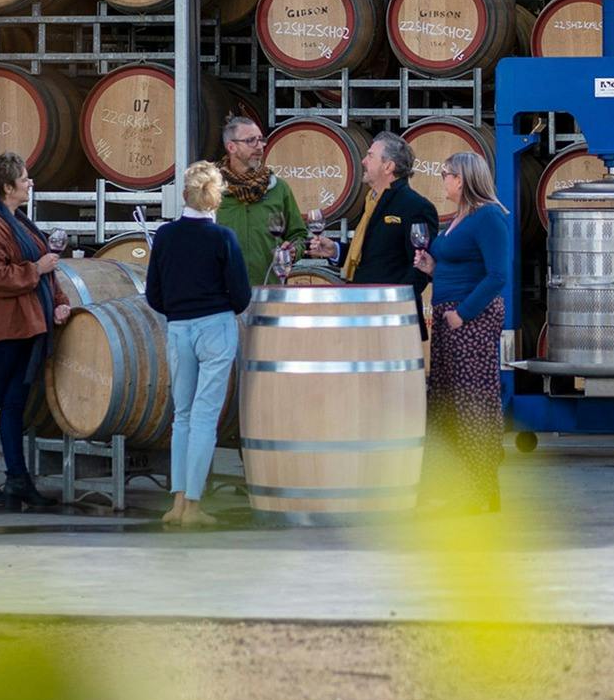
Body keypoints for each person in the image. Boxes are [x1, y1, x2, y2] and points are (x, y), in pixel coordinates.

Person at [146, 161, 251, 529]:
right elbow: (241, 295)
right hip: (215, 327)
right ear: (215, 196)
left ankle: (176, 502)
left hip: (179, 328)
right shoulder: (223, 238)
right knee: (205, 416)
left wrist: (179, 310)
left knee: (183, 417)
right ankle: (193, 505)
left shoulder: (165, 236)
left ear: (185, 195)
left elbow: (154, 294)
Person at [0, 151, 71, 512]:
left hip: (27, 323)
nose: (30, 183)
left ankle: (17, 479)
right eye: (25, 179)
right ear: (8, 186)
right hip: (3, 326)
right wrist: (36, 270)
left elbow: (48, 267)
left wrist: (58, 299)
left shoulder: (19, 220)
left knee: (14, 405)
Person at [413, 150, 510, 514]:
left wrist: (463, 314)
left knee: (473, 403)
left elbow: (497, 275)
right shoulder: (459, 218)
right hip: (450, 317)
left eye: (446, 174)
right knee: (448, 401)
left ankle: (482, 487)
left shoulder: (488, 218)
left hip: (471, 320)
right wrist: (432, 268)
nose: (443, 179)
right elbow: (460, 266)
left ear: (464, 178)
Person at [214, 115, 331, 289]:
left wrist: (293, 251)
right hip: (221, 293)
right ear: (231, 147)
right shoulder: (211, 189)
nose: (260, 146)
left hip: (267, 289)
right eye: (251, 141)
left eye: (261, 140)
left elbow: (298, 235)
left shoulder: (278, 188)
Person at [343, 131, 439, 334]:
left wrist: (394, 305)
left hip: (394, 319)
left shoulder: (416, 206)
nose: (363, 161)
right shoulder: (371, 201)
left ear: (388, 166)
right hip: (362, 313)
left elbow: (420, 267)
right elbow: (371, 254)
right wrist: (334, 250)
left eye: (370, 156)